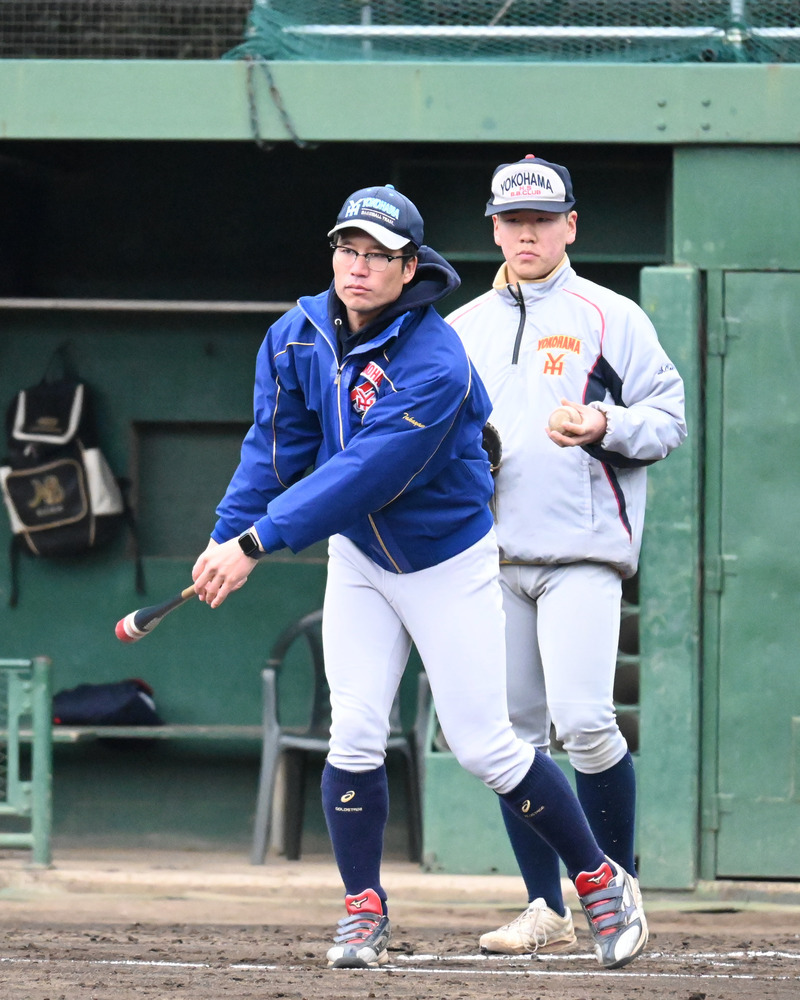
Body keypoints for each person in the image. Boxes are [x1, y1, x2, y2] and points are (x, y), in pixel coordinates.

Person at [192, 182, 648, 971]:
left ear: (411, 268)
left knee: (486, 747)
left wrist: (257, 543)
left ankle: (600, 880)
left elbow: (364, 474)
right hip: (361, 561)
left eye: (379, 256)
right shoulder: (295, 337)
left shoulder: (438, 357)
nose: (358, 267)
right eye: (348, 250)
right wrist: (225, 533)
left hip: (447, 561)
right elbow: (274, 449)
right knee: (354, 731)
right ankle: (362, 911)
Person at [446, 154, 686, 957]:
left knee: (584, 720)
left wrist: (605, 424)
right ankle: (544, 907)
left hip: (581, 551)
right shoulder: (461, 328)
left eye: (542, 220)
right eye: (513, 221)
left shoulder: (611, 315)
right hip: (492, 560)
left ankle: (616, 889)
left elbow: (670, 419)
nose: (527, 234)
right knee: (512, 740)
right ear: (494, 229)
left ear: (570, 226)